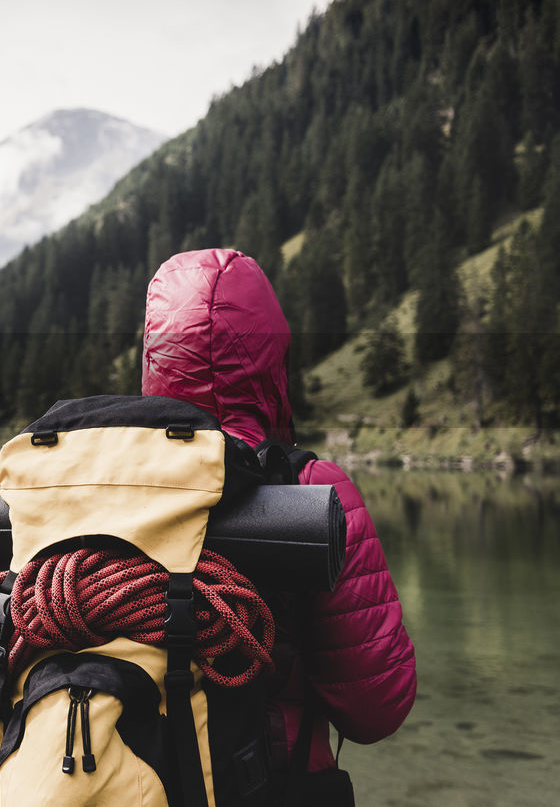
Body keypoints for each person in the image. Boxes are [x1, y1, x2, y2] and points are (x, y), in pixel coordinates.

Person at [141, 247, 417, 782]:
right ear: (271, 357)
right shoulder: (314, 492)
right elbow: (378, 706)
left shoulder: (103, 483)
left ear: (157, 355)